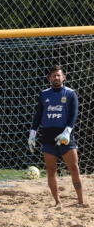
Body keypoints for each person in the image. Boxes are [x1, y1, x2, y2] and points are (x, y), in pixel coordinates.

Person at [29, 64, 85, 207]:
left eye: (59, 75)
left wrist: (67, 131)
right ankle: (57, 202)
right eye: (54, 75)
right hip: (48, 137)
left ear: (63, 77)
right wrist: (32, 133)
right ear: (50, 78)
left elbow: (74, 115)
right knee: (51, 170)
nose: (56, 78)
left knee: (74, 168)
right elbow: (38, 115)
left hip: (66, 136)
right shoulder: (44, 94)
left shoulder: (71, 93)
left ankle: (81, 201)